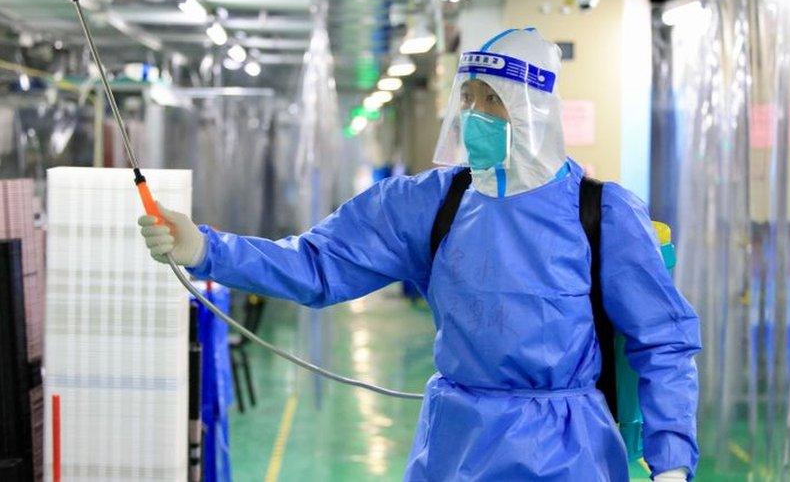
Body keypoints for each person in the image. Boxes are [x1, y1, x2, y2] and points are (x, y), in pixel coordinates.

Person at [139, 28, 700, 481]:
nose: (475, 112)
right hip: (456, 446)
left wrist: (670, 460)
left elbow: (663, 339)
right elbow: (317, 265)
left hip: (569, 452)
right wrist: (208, 250)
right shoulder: (432, 203)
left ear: (534, 112)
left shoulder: (600, 214)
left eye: (493, 99)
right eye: (469, 96)